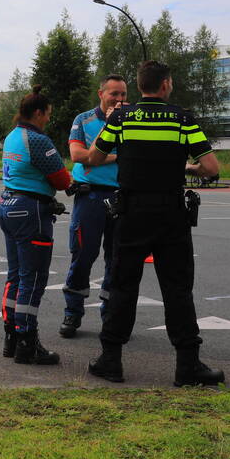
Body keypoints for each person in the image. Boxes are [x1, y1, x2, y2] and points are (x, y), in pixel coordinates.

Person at [87, 60, 224, 386]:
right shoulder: (182, 118)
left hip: (131, 213)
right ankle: (187, 365)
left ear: (140, 86)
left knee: (122, 285)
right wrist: (186, 169)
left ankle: (111, 360)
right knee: (178, 289)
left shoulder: (121, 117)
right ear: (165, 85)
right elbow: (211, 167)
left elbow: (93, 158)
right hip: (171, 215)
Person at [0, 85, 72, 365]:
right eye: (48, 114)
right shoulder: (38, 140)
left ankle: (11, 338)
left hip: (8, 205)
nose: (49, 119)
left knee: (15, 275)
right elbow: (63, 181)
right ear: (38, 112)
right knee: (34, 277)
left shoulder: (12, 136)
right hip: (31, 212)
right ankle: (28, 341)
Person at [59, 74, 127, 338]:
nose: (120, 99)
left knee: (117, 260)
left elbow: (94, 158)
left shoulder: (131, 120)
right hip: (90, 198)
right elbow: (79, 156)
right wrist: (114, 152)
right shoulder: (83, 120)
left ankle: (110, 316)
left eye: (123, 94)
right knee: (83, 256)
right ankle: (72, 313)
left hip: (121, 198)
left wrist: (97, 158)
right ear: (101, 94)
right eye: (114, 94)